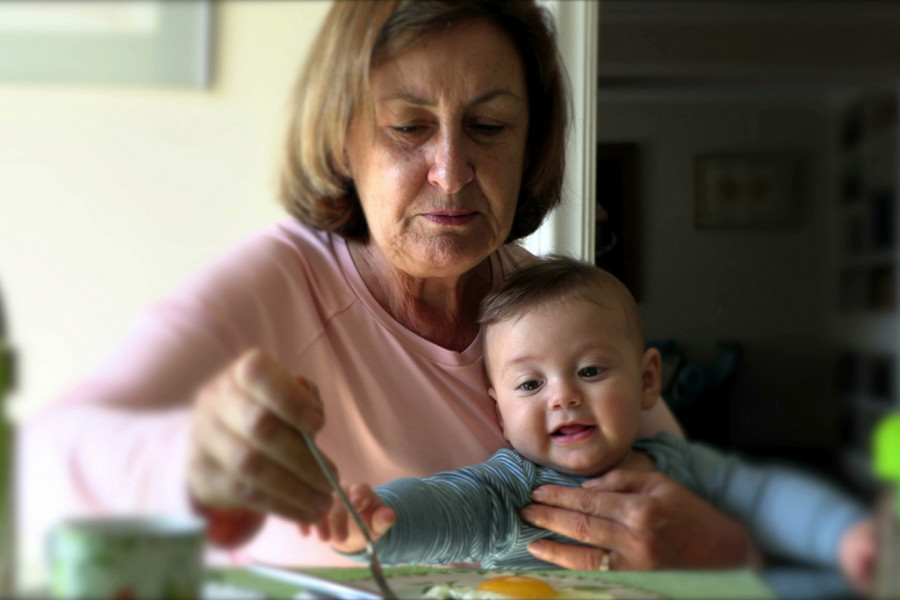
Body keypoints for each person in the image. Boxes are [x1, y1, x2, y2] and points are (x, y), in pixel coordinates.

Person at [20, 0, 756, 572]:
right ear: (342, 137)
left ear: (532, 144)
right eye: (407, 127)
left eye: (490, 126)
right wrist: (186, 458)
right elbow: (43, 461)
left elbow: (694, 507)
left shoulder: (557, 307)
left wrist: (710, 546)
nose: (451, 169)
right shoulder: (283, 279)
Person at [318, 256, 877, 593]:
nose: (563, 397)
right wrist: (378, 520)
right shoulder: (510, 488)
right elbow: (446, 508)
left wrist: (844, 535)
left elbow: (766, 496)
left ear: (646, 380)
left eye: (589, 370)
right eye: (530, 385)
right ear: (499, 412)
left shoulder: (681, 467)